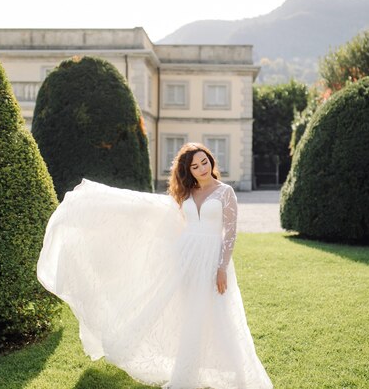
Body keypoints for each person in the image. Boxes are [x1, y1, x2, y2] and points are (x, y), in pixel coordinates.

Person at [37, 142, 273, 389]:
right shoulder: (186, 194)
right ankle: (186, 375)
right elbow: (167, 218)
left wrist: (221, 267)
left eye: (205, 162)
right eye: (195, 166)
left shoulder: (225, 192)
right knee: (187, 315)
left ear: (211, 162)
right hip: (185, 257)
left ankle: (239, 376)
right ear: (188, 171)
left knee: (220, 315)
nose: (202, 168)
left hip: (213, 258)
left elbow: (230, 232)